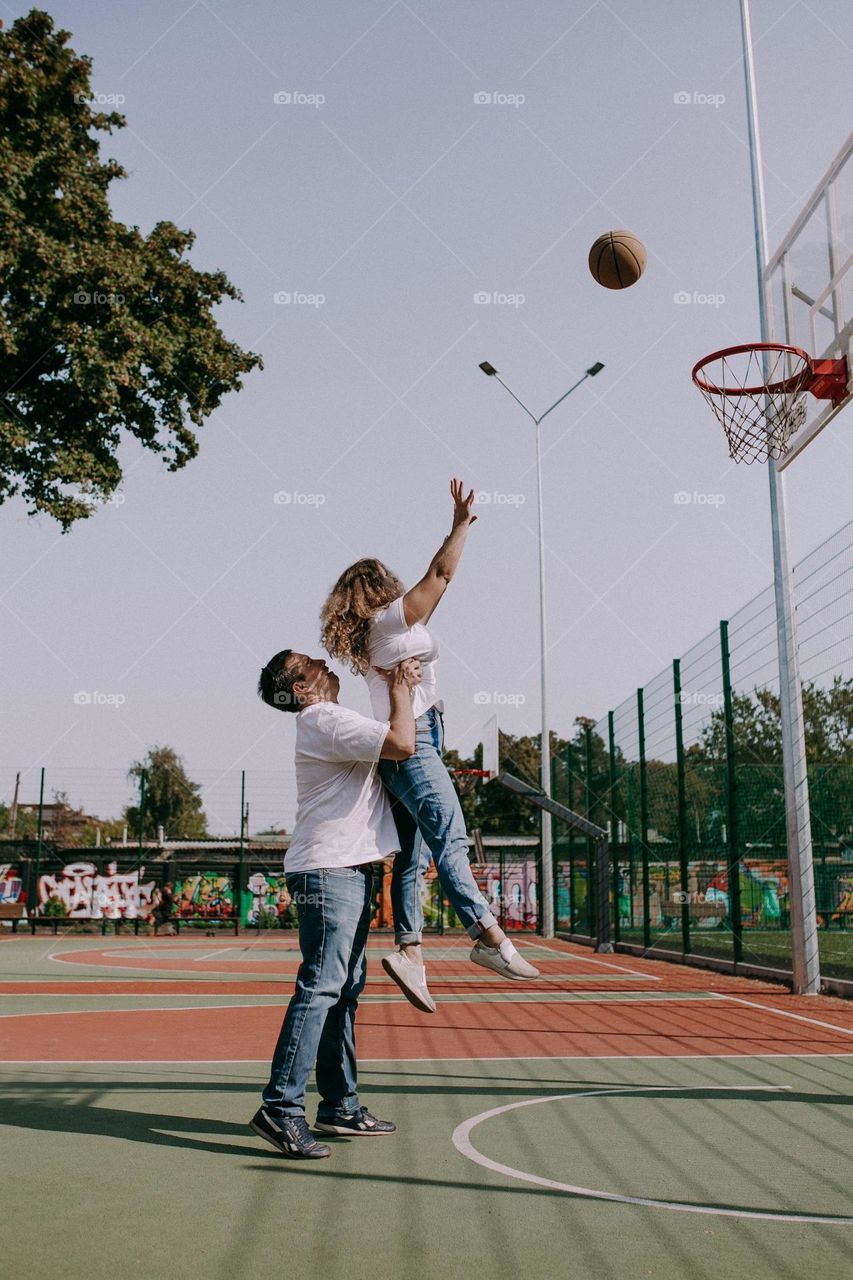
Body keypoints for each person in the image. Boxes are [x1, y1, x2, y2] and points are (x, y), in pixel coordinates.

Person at [320, 478, 539, 1015]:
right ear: (380, 589)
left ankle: (410, 953)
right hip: (414, 743)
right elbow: (440, 575)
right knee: (452, 838)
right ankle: (488, 938)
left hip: (404, 745)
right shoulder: (389, 623)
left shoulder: (386, 634)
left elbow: (434, 594)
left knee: (415, 858)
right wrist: (460, 524)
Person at [249, 647, 421, 1159]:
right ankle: (280, 1108)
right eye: (313, 665)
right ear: (300, 688)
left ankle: (339, 1105)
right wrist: (400, 685)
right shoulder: (322, 717)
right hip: (330, 871)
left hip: (344, 869)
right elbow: (401, 742)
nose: (326, 666)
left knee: (342, 988)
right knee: (323, 986)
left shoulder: (324, 722)